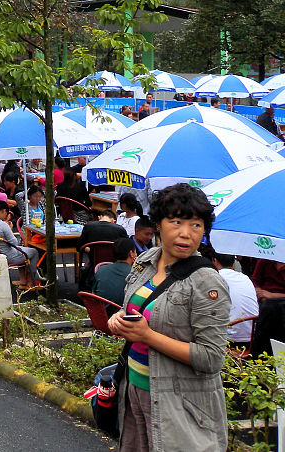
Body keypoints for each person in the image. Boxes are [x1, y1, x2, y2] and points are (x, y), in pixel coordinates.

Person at [107, 183, 230, 452]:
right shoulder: (146, 260)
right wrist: (119, 318)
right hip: (135, 390)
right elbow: (134, 308)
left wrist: (147, 336)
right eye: (176, 222)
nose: (186, 234)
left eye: (195, 225)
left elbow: (211, 357)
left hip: (179, 403)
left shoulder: (206, 282)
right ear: (158, 225)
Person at [0, 200, 41, 289]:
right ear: (4, 211)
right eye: (6, 213)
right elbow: (14, 243)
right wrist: (10, 229)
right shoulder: (2, 225)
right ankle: (31, 282)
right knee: (34, 252)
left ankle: (23, 280)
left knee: (22, 250)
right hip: (8, 256)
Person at [204, 245, 257, 345]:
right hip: (251, 337)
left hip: (229, 340)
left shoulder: (214, 277)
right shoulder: (245, 278)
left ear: (214, 261)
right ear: (233, 263)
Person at [78, 209, 130, 294]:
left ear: (99, 217)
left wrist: (87, 248)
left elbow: (79, 247)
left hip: (94, 264)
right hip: (114, 264)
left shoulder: (88, 226)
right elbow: (126, 248)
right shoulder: (120, 229)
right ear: (114, 221)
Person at [93, 237, 137, 306]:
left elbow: (93, 295)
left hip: (101, 314)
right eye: (135, 251)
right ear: (131, 253)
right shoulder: (135, 274)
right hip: (123, 315)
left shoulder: (101, 270)